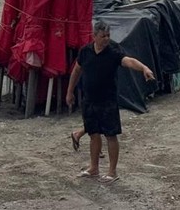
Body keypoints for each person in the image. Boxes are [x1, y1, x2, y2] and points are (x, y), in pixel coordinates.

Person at [65, 20, 155, 183]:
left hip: (108, 101)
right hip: (89, 100)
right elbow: (77, 70)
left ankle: (112, 171)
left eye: (108, 35)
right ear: (94, 36)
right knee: (93, 134)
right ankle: (93, 168)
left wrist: (143, 68)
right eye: (103, 36)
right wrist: (70, 91)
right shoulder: (85, 51)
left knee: (111, 135)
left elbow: (128, 61)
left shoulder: (113, 50)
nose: (106, 39)